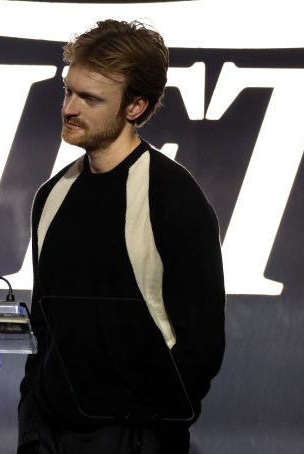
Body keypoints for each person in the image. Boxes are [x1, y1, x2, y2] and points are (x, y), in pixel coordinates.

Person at [17, 20, 226, 454]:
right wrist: (32, 426)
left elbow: (202, 341)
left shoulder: (173, 196)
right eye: (68, 91)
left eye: (90, 98)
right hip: (50, 436)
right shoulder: (52, 195)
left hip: (134, 436)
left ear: (135, 107)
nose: (69, 108)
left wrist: (153, 432)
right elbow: (44, 325)